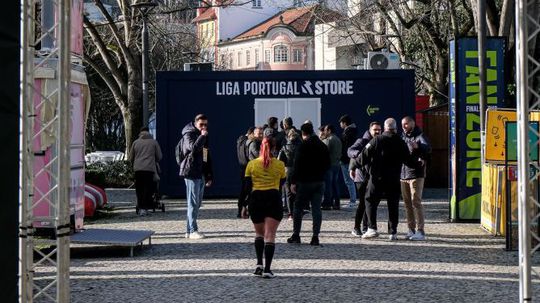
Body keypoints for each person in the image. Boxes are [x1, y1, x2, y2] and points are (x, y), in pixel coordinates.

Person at [359, 118, 410, 241]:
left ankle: (372, 228)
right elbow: (408, 160)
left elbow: (363, 156)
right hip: (393, 178)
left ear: (385, 128)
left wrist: (355, 165)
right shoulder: (400, 141)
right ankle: (393, 232)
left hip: (377, 177)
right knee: (393, 204)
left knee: (370, 200)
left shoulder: (377, 140)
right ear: (395, 128)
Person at [241, 137, 286, 278]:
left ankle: (258, 265)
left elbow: (246, 187)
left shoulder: (251, 165)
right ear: (273, 148)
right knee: (270, 235)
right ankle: (267, 269)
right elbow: (281, 183)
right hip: (273, 198)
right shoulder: (279, 165)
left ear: (261, 147)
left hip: (256, 200)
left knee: (259, 234)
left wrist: (243, 205)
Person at [287, 122, 331, 246]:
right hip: (319, 182)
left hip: (304, 182)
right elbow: (328, 164)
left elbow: (297, 165)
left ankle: (296, 235)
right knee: (316, 209)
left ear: (303, 133)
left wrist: (293, 182)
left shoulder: (303, 146)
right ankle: (315, 237)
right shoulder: (322, 146)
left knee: (298, 208)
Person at [179, 114, 213, 239]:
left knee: (197, 203)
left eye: (205, 124)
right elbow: (193, 148)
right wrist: (202, 136)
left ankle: (189, 230)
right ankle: (193, 230)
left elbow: (206, 155)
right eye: (201, 124)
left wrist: (209, 175)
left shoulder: (203, 136)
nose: (204, 127)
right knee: (192, 202)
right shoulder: (189, 134)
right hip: (191, 171)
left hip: (201, 172)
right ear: (195, 123)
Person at [400, 116, 432, 241]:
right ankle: (411, 229)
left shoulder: (420, 136)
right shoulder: (402, 137)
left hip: (416, 175)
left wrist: (418, 148)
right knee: (407, 204)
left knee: (416, 202)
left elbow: (428, 148)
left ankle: (421, 231)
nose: (404, 126)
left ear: (412, 124)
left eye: (406, 124)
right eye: (402, 124)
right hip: (403, 174)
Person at [348, 122, 382, 236]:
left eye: (379, 129)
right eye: (375, 129)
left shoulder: (380, 141)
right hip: (361, 177)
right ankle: (356, 227)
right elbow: (350, 150)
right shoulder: (362, 141)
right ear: (370, 130)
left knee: (371, 202)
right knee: (363, 202)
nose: (377, 131)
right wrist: (361, 155)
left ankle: (365, 227)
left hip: (373, 176)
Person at [129, 127, 163, 216]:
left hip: (138, 169)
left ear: (140, 133)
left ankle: (140, 208)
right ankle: (146, 207)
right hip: (149, 169)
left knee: (139, 189)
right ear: (149, 132)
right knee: (148, 189)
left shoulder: (135, 142)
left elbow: (130, 157)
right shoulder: (154, 142)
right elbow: (159, 156)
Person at [278, 129, 302, 220]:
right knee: (298, 192)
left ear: (288, 136)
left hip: (287, 171)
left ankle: (290, 213)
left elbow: (280, 160)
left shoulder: (284, 146)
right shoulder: (301, 146)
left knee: (288, 193)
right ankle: (298, 211)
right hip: (299, 171)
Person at [339, 114, 358, 209]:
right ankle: (353, 200)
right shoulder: (351, 131)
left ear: (345, 123)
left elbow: (345, 147)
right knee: (350, 181)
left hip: (346, 160)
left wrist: (342, 157)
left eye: (341, 123)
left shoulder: (348, 133)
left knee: (349, 181)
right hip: (349, 159)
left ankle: (353, 201)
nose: (340, 125)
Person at [321, 124, 342, 210]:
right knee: (335, 184)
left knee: (328, 185)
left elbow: (323, 151)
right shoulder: (338, 139)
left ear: (329, 130)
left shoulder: (329, 140)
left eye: (325, 130)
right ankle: (337, 203)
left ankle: (327, 203)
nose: (324, 132)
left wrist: (322, 139)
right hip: (337, 165)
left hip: (329, 165)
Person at [236, 127, 255, 218]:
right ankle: (246, 209)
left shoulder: (239, 141)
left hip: (241, 169)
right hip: (248, 169)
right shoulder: (248, 143)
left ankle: (240, 211)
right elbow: (249, 156)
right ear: (251, 133)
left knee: (243, 191)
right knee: (249, 191)